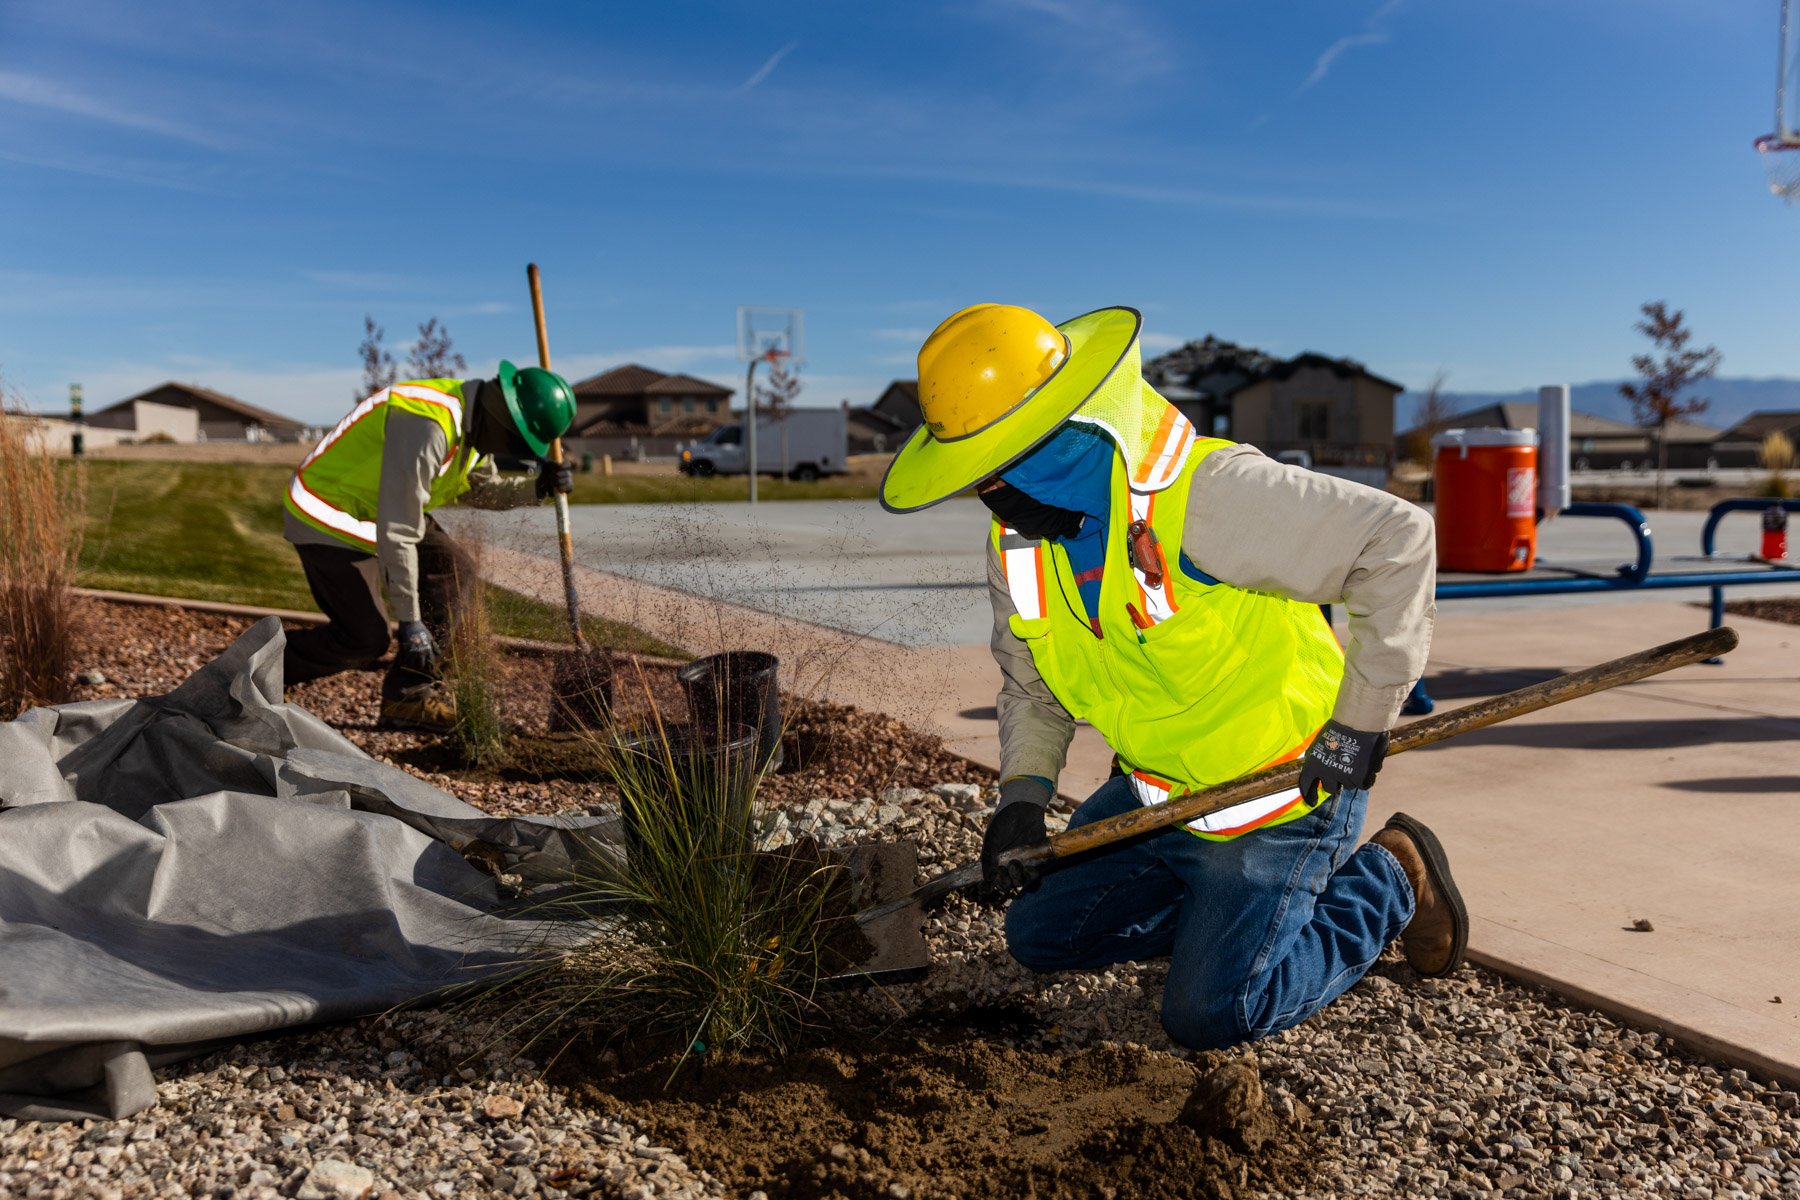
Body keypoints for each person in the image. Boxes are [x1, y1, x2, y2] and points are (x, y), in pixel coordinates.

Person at [880, 303, 1467, 1051]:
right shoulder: (1020, 542)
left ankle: (1389, 875)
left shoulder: (1207, 494)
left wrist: (1357, 728)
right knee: (1039, 937)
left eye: (990, 473)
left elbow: (1399, 540)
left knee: (1211, 1014)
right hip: (1156, 800)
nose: (985, 497)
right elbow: (1032, 685)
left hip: (1281, 797)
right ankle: (1216, 920)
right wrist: (1023, 796)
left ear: (1053, 442)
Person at [282, 361, 576, 732]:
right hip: (327, 512)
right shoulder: (430, 425)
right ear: (504, 420)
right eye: (518, 443)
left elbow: (482, 489)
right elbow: (399, 530)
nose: (516, 452)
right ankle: (255, 671)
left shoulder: (474, 427)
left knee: (453, 566)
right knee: (365, 638)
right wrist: (411, 620)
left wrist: (537, 487)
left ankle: (410, 695)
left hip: (382, 508)